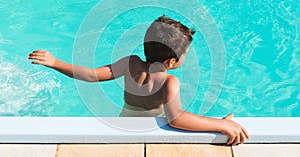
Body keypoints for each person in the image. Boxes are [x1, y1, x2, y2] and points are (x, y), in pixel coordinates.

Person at [28, 15, 250, 145]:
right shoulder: (169, 82)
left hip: (123, 124)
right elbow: (177, 119)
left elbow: (91, 75)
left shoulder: (130, 63)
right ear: (172, 61)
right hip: (153, 134)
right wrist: (219, 124)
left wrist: (55, 62)